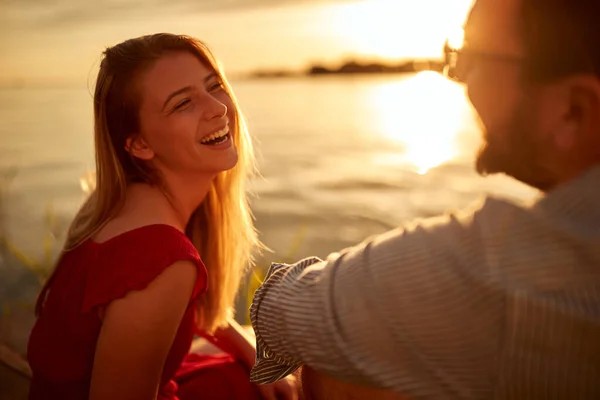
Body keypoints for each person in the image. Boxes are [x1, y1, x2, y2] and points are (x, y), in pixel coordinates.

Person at [249, 0, 600, 398]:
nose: (460, 80)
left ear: (574, 110)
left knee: (339, 368)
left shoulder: (521, 270)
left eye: (471, 59)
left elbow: (283, 314)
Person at [27, 33, 297, 400]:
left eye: (213, 85)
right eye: (183, 103)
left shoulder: (127, 202)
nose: (217, 108)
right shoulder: (161, 259)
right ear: (140, 144)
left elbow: (193, 311)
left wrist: (250, 354)